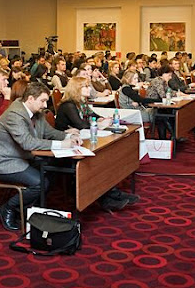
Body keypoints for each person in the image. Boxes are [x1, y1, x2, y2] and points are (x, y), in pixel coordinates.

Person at [0, 82, 81, 231]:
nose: (45, 105)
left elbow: (49, 132)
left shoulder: (36, 111)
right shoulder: (14, 115)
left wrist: (68, 136)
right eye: (42, 101)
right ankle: (8, 208)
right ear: (30, 99)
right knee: (40, 183)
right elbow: (27, 143)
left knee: (54, 169)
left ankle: (28, 208)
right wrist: (62, 145)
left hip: (22, 158)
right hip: (2, 162)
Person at [54, 77, 136, 210]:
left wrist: (102, 119)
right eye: (85, 86)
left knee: (104, 158)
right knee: (98, 161)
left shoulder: (82, 103)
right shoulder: (69, 105)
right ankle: (107, 198)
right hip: (65, 145)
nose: (89, 89)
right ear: (76, 89)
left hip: (80, 139)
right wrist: (99, 124)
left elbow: (93, 115)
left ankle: (112, 194)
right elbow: (81, 125)